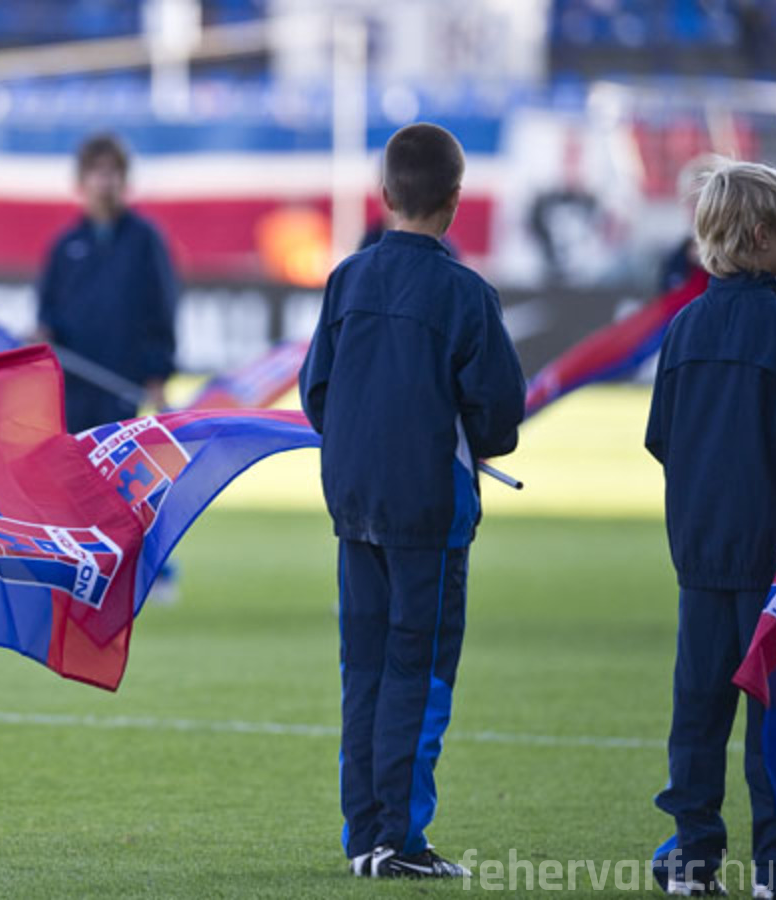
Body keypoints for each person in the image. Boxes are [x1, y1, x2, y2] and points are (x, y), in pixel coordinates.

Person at [300, 122, 525, 879]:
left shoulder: (347, 279)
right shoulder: (466, 292)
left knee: (362, 668)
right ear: (456, 199)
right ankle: (398, 838)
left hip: (355, 503)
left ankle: (366, 833)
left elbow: (318, 394)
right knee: (416, 672)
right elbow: (499, 413)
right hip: (428, 512)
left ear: (384, 194)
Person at [645, 160, 776, 899]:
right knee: (775, 719)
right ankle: (775, 865)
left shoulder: (684, 328)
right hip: (774, 565)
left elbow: (661, 438)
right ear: (761, 237)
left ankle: (694, 858)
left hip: (699, 557)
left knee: (697, 717)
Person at [33, 132, 178, 434]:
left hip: (123, 382)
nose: (105, 180)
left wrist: (157, 374)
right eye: (97, 171)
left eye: (113, 171)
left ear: (124, 179)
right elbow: (48, 308)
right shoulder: (65, 245)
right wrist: (44, 334)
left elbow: (162, 309)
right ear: (81, 181)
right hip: (75, 385)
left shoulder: (145, 240)